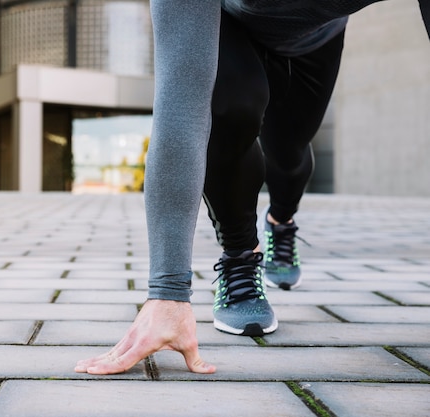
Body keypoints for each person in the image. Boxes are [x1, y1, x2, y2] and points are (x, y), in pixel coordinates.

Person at [76, 0, 430, 375]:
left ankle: (280, 220)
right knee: (228, 109)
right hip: (228, 22)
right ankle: (241, 255)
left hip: (315, 40)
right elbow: (181, 105)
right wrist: (168, 293)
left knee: (288, 156)